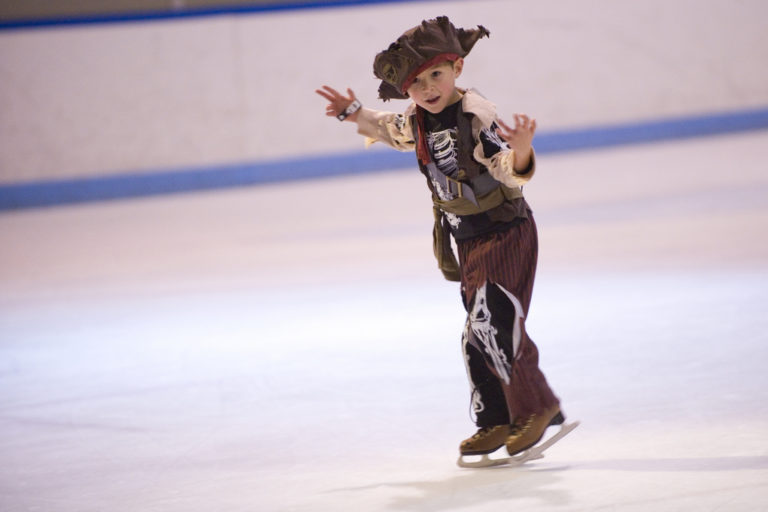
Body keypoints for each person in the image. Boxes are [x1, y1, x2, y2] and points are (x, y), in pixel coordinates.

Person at [316, 16, 566, 465]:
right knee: (475, 335)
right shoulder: (417, 121)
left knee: (497, 321)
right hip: (466, 239)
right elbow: (388, 128)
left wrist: (524, 151)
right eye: (416, 83)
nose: (428, 88)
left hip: (504, 231)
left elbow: (505, 165)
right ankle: (495, 419)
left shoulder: (476, 119)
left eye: (436, 74)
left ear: (457, 70)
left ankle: (537, 406)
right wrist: (354, 112)